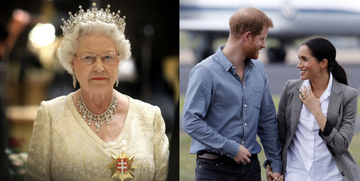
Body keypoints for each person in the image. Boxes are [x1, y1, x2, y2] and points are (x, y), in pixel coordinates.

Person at [25, 3, 169, 181]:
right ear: (72, 63)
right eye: (88, 58)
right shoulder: (50, 115)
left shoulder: (150, 116)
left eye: (108, 57)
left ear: (118, 61)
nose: (99, 67)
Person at [182, 7, 282, 181]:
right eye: (262, 39)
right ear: (247, 36)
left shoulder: (259, 70)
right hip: (214, 171)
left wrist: (276, 164)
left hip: (251, 169)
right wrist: (231, 148)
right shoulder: (205, 71)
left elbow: (267, 122)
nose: (264, 45)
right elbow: (191, 121)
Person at [266, 37, 360, 181]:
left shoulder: (348, 96)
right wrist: (272, 167)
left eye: (305, 59)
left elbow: (341, 145)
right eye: (299, 59)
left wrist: (316, 111)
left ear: (323, 63)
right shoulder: (291, 89)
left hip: (332, 177)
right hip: (295, 175)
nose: (299, 65)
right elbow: (280, 136)